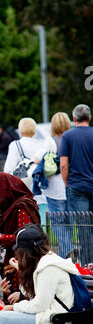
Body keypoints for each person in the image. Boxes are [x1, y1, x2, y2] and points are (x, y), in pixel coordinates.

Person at [33, 112, 74, 259]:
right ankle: (70, 250)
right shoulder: (72, 139)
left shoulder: (50, 142)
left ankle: (67, 250)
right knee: (69, 221)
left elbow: (37, 159)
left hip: (54, 190)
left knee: (58, 222)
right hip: (71, 187)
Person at [60, 104, 93, 266]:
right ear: (90, 118)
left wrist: (67, 184)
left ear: (74, 119)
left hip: (77, 186)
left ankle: (88, 264)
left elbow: (64, 165)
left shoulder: (68, 136)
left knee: (83, 227)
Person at [3, 117, 47, 224]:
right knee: (40, 223)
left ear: (20, 131)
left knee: (23, 224)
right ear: (34, 131)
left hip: (22, 192)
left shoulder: (15, 145)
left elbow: (8, 170)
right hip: (40, 191)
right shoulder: (42, 146)